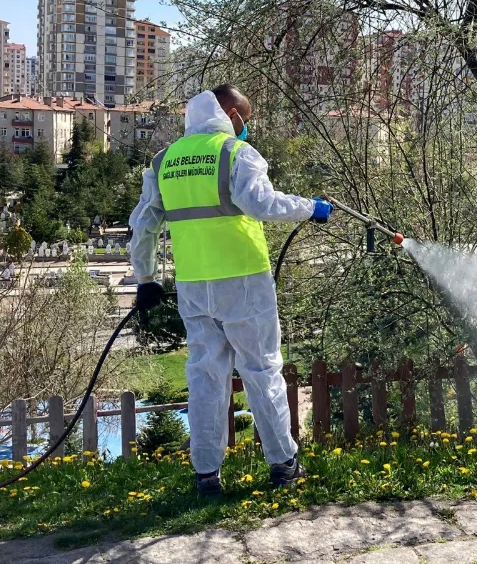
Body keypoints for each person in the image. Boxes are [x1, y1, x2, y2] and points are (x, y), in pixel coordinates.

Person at [128, 85, 332, 497]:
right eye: (246, 118)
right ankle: (283, 465)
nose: (246, 127)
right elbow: (261, 204)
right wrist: (312, 207)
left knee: (205, 378)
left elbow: (144, 225)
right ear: (232, 113)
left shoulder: (164, 161)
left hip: (194, 287)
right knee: (261, 372)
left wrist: (146, 279)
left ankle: (206, 475)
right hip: (243, 283)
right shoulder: (235, 153)